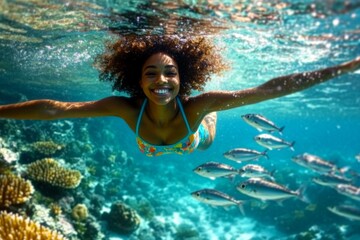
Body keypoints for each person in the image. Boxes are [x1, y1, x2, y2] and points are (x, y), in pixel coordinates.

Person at [0, 35, 359, 157]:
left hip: (193, 137)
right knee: (156, 149)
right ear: (137, 81)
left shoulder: (198, 103)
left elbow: (271, 89)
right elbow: (56, 110)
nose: (161, 81)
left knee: (206, 139)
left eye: (170, 72)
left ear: (182, 79)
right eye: (151, 73)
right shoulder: (123, 107)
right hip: (148, 145)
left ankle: (212, 121)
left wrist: (343, 68)